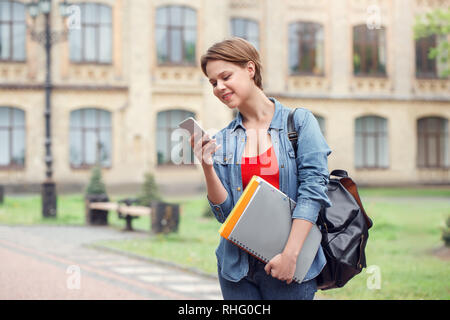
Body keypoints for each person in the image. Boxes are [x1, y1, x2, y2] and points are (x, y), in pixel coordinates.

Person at [190, 37, 332, 300]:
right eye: (213, 83)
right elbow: (226, 215)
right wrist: (207, 166)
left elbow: (313, 191)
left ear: (250, 69)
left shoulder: (299, 123)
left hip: (290, 264)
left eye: (225, 76)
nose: (219, 87)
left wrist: (290, 255)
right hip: (236, 271)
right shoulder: (223, 139)